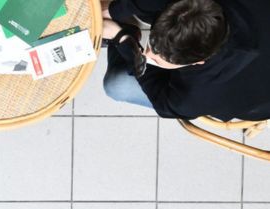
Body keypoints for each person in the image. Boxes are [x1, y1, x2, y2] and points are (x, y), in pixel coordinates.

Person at [101, 0, 270, 121]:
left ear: (198, 62)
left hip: (256, 95)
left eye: (161, 58)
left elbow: (162, 99)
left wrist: (124, 40)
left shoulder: (195, 96)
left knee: (117, 86)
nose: (150, 54)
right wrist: (115, 9)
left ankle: (118, 35)